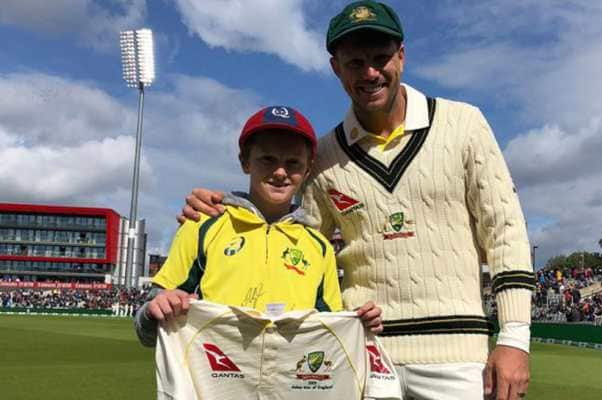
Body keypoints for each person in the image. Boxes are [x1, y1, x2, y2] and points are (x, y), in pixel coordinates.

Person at [180, 1, 535, 399]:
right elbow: (293, 240)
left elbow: (505, 233)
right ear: (336, 67)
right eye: (354, 63)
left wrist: (515, 338)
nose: (370, 73)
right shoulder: (324, 154)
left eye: (381, 58)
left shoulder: (464, 124)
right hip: (362, 350)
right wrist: (227, 208)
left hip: (457, 356)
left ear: (401, 55)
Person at [134, 105, 383, 348]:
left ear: (308, 170)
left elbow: (329, 335)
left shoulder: (319, 247)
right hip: (215, 385)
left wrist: (356, 325)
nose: (280, 172)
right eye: (267, 159)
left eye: (293, 163)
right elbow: (146, 328)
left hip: (287, 386)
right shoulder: (202, 224)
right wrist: (156, 311)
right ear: (245, 162)